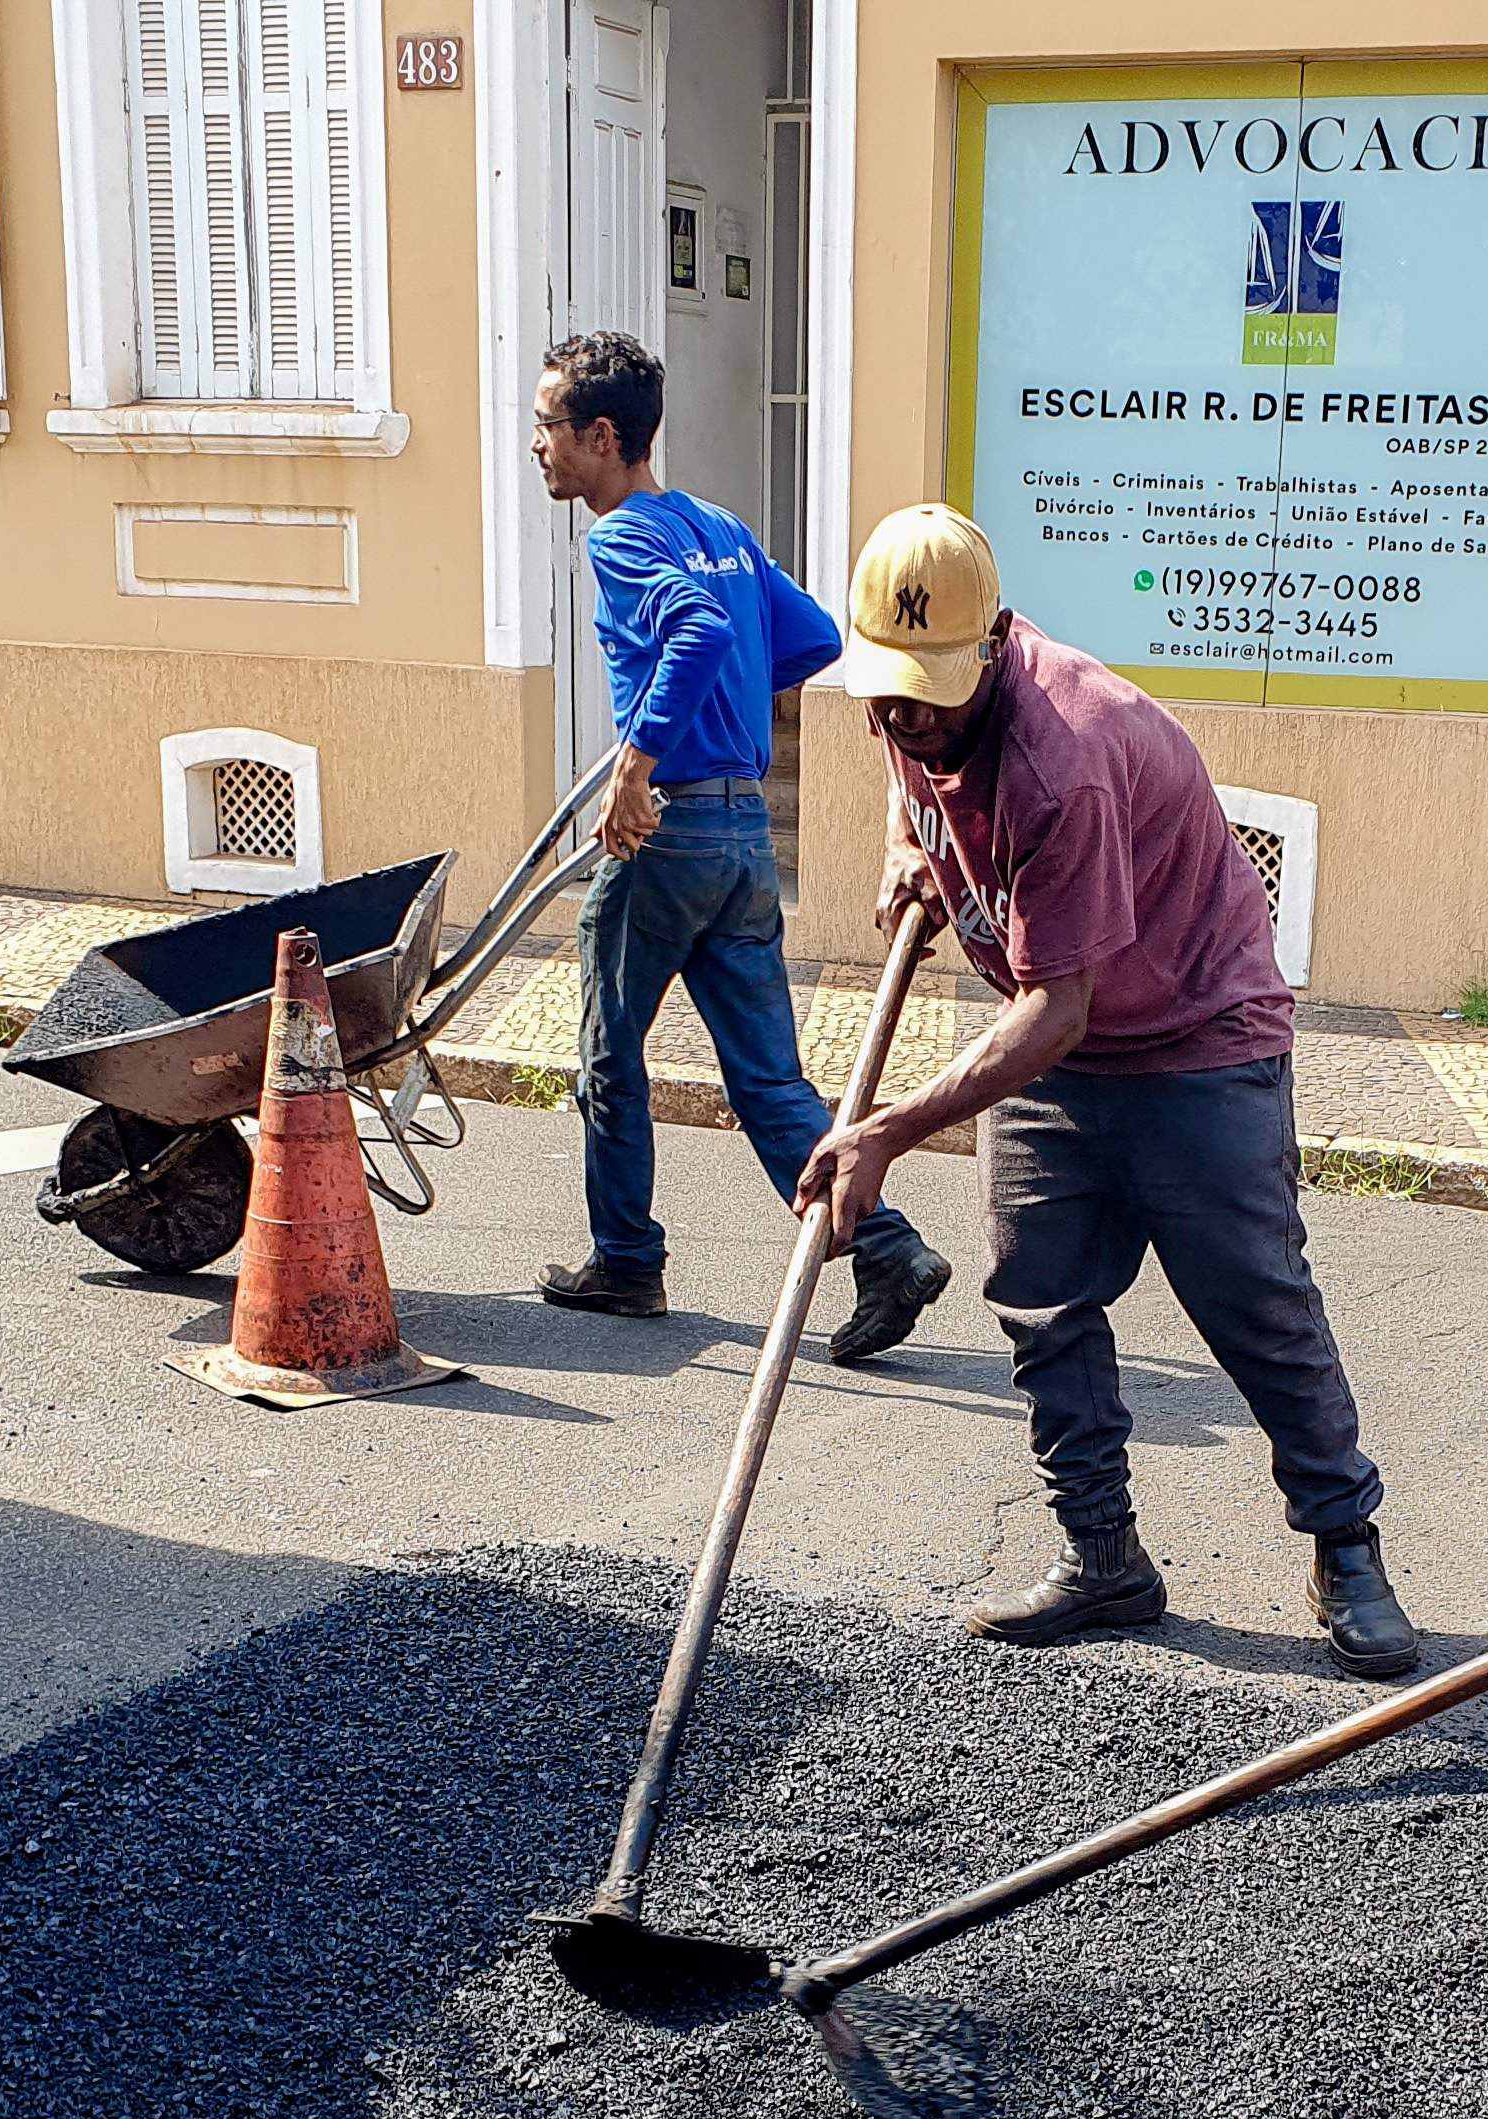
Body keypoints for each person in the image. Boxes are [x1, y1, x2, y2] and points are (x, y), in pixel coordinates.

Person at [791, 505, 1419, 1680]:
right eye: (887, 692)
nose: (905, 717)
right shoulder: (905, 701)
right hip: (1059, 1036)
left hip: (1193, 1039)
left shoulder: (1061, 757)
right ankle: (1104, 1558)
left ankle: (1347, 1548)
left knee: (1257, 1309)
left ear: (993, 643)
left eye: (929, 691)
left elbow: (1054, 1012)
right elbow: (909, 771)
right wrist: (904, 844)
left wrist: (884, 1133)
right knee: (1038, 1300)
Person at [524, 331, 952, 1362]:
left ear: (601, 435)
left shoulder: (622, 535)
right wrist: (720, 724)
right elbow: (808, 638)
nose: (536, 445)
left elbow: (703, 636)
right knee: (767, 1078)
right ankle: (886, 1247)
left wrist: (638, 763)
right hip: (743, 835)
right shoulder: (714, 524)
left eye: (547, 426)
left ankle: (626, 1260)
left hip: (667, 834)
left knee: (608, 1054)